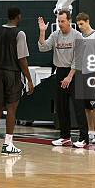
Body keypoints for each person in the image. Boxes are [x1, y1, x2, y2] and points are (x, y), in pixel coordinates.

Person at [0, 7, 34, 155]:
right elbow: (22, 59)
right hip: (12, 73)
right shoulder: (20, 33)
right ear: (18, 17)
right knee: (11, 109)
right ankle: (8, 144)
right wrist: (29, 79)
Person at [38, 10, 89, 148]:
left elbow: (78, 59)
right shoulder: (55, 35)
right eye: (58, 21)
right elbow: (43, 47)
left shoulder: (77, 36)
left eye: (63, 21)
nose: (60, 24)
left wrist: (69, 76)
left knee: (78, 107)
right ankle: (65, 137)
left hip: (75, 73)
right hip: (60, 72)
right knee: (61, 107)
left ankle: (84, 138)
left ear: (69, 21)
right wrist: (42, 31)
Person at [74, 12, 95, 145]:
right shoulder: (79, 37)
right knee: (86, 106)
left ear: (87, 21)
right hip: (81, 74)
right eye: (78, 24)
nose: (80, 26)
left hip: (93, 74)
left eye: (81, 24)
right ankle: (90, 132)